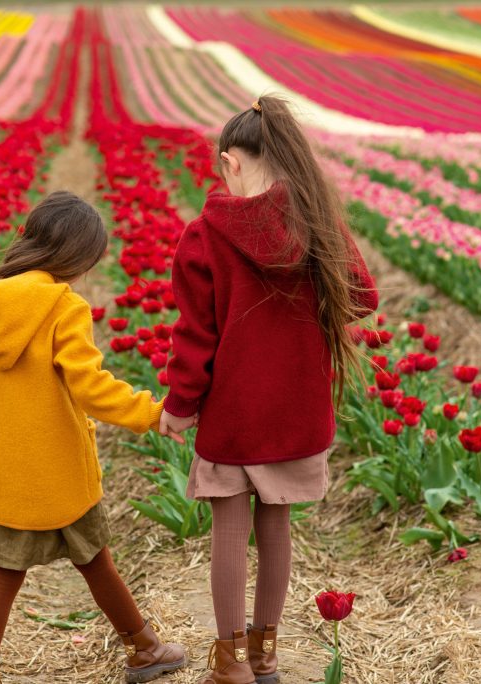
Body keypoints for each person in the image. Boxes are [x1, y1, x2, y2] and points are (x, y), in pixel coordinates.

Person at [159, 96, 379, 684]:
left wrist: (180, 407)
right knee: (275, 526)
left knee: (228, 531)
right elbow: (363, 296)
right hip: (297, 409)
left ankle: (228, 662)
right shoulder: (316, 226)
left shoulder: (205, 236)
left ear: (231, 161)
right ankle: (268, 657)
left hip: (234, 410)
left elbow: (195, 336)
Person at [0, 191, 187, 684]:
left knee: (5, 573)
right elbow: (91, 388)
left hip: (3, 470)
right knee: (95, 559)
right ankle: (144, 649)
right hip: (60, 470)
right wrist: (151, 412)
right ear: (76, 259)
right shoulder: (63, 308)